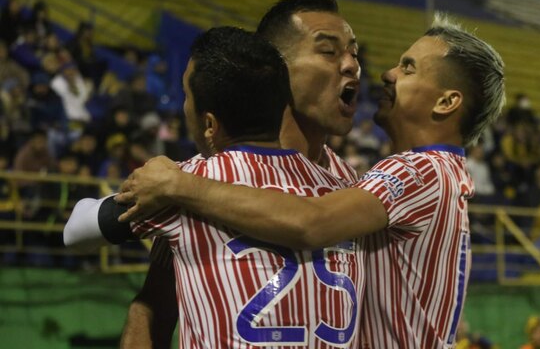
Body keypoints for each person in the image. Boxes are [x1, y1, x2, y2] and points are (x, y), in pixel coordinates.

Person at [116, 13, 506, 348]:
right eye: (329, 50)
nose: (385, 72)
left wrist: (181, 186)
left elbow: (310, 223)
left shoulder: (418, 171)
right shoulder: (417, 177)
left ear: (446, 102)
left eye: (408, 67)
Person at [64, 27, 366, 348]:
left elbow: (76, 232)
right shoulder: (344, 192)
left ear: (209, 124)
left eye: (186, 97)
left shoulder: (183, 184)